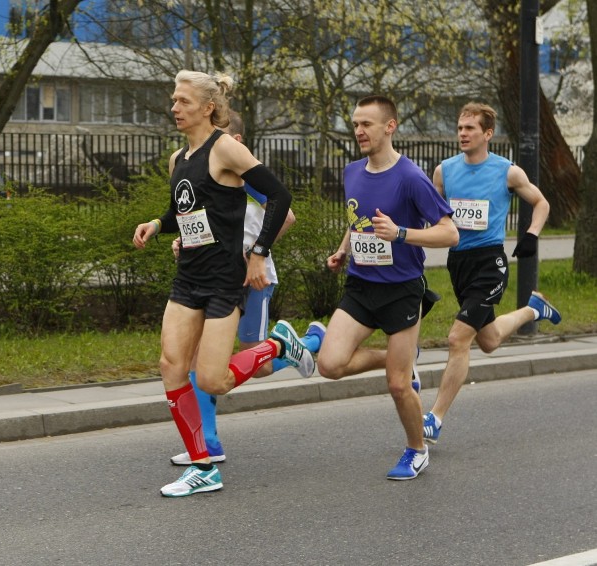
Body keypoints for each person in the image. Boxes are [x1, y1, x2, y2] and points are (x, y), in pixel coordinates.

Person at [132, 70, 315, 497]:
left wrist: (259, 253)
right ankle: (202, 466)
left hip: (223, 281)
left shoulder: (226, 148)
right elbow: (185, 207)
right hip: (188, 277)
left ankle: (279, 347)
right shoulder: (180, 158)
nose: (174, 108)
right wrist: (158, 223)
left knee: (213, 380)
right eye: (174, 101)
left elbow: (280, 197)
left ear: (208, 107)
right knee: (171, 366)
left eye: (182, 101)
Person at [167, 110, 327, 467]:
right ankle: (208, 442)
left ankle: (306, 343)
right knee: (196, 360)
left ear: (233, 141)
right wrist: (184, 241)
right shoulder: (203, 166)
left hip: (252, 279)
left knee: (258, 364)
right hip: (213, 277)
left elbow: (286, 215)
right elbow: (199, 217)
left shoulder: (243, 172)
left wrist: (253, 253)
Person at [316, 94, 459, 481]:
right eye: (356, 124)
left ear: (389, 127)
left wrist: (400, 234)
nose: (359, 131)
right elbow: (357, 219)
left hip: (401, 290)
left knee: (397, 386)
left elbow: (450, 233)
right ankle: (401, 358)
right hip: (361, 285)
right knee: (329, 365)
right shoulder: (351, 172)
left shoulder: (411, 177)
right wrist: (344, 249)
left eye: (367, 124)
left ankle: (416, 450)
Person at [423, 102, 562, 444]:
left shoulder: (507, 171)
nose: (463, 134)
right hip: (458, 262)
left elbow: (541, 202)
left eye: (470, 128)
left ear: (488, 134)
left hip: (490, 263)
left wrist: (530, 235)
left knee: (458, 338)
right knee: (488, 341)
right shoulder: (444, 171)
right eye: (460, 128)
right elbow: (428, 213)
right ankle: (534, 308)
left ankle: (435, 417)